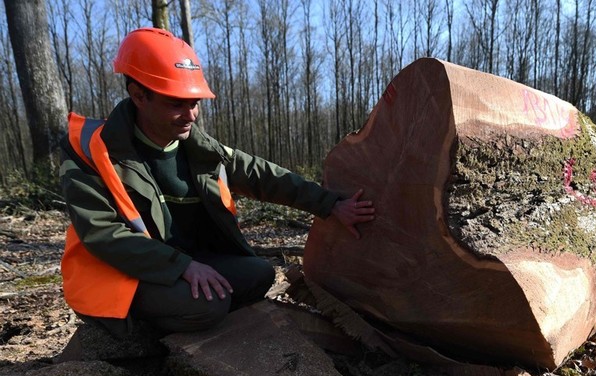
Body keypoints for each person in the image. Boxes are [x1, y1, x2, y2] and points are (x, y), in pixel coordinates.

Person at [59, 28, 375, 343]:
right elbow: (102, 234)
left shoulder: (199, 149)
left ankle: (187, 313)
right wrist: (181, 266)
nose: (191, 115)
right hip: (121, 276)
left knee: (259, 274)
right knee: (210, 306)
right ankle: (135, 338)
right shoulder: (90, 149)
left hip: (186, 264)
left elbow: (261, 175)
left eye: (195, 102)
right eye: (177, 104)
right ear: (139, 95)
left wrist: (330, 205)